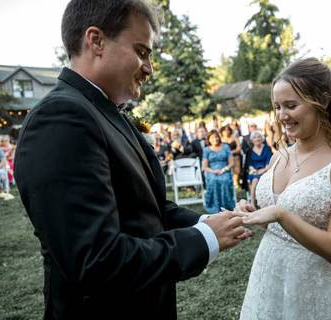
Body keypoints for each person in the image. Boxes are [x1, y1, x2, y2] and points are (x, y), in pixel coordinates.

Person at [14, 1, 250, 319]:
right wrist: (205, 239)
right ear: (95, 40)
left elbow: (148, 210)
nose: (149, 68)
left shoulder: (103, 111)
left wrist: (211, 222)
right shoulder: (62, 118)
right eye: (142, 51)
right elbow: (98, 261)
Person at [235, 57, 331, 319]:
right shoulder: (280, 156)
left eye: (291, 105)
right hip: (269, 276)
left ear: (322, 101)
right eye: (277, 107)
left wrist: (280, 214)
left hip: (318, 286)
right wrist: (253, 213)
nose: (281, 116)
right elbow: (276, 224)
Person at [202, 129, 236, 214]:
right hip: (212, 171)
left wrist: (224, 170)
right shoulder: (206, 150)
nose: (215, 139)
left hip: (225, 170)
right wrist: (214, 171)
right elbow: (204, 167)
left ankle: (226, 206)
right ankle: (215, 206)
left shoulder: (225, 147)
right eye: (212, 137)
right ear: (209, 139)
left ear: (219, 137)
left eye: (216, 137)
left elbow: (232, 163)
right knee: (214, 180)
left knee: (224, 180)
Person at [243, 131, 272, 208]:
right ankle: (253, 203)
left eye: (259, 137)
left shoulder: (267, 148)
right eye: (255, 137)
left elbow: (269, 162)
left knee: (256, 179)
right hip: (254, 172)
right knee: (254, 179)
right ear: (252, 140)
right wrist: (255, 171)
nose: (257, 139)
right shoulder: (249, 151)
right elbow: (249, 164)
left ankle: (257, 202)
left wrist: (263, 170)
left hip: (266, 170)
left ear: (262, 139)